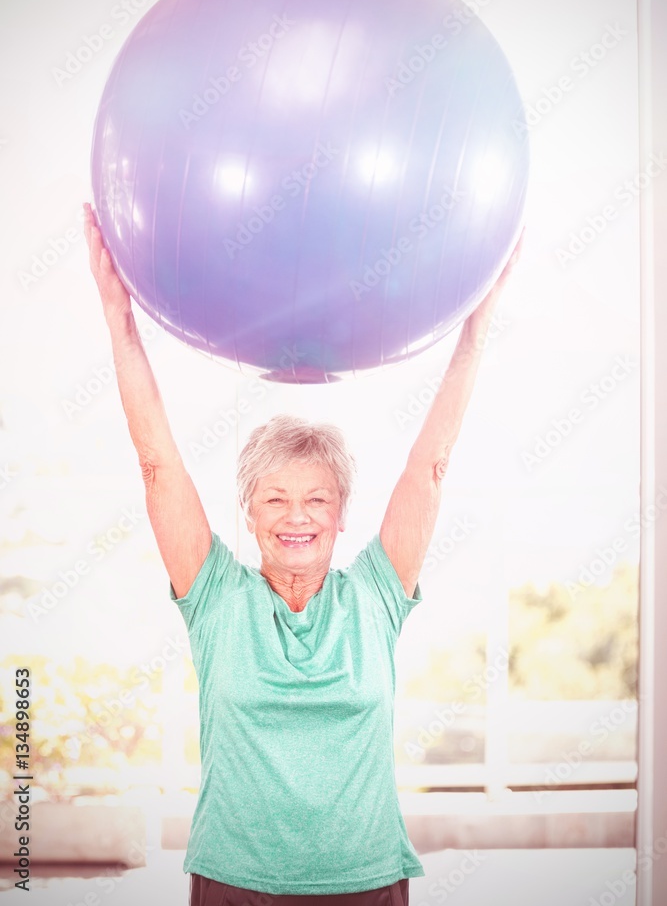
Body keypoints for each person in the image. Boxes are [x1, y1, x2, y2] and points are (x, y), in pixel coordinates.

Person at [84, 201, 523, 906]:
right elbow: (158, 465)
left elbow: (431, 465)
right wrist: (119, 322)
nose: (296, 516)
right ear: (248, 514)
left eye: (316, 499)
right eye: (275, 499)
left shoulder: (375, 596)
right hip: (235, 882)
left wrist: (476, 327)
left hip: (364, 882)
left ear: (341, 515)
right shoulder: (216, 597)